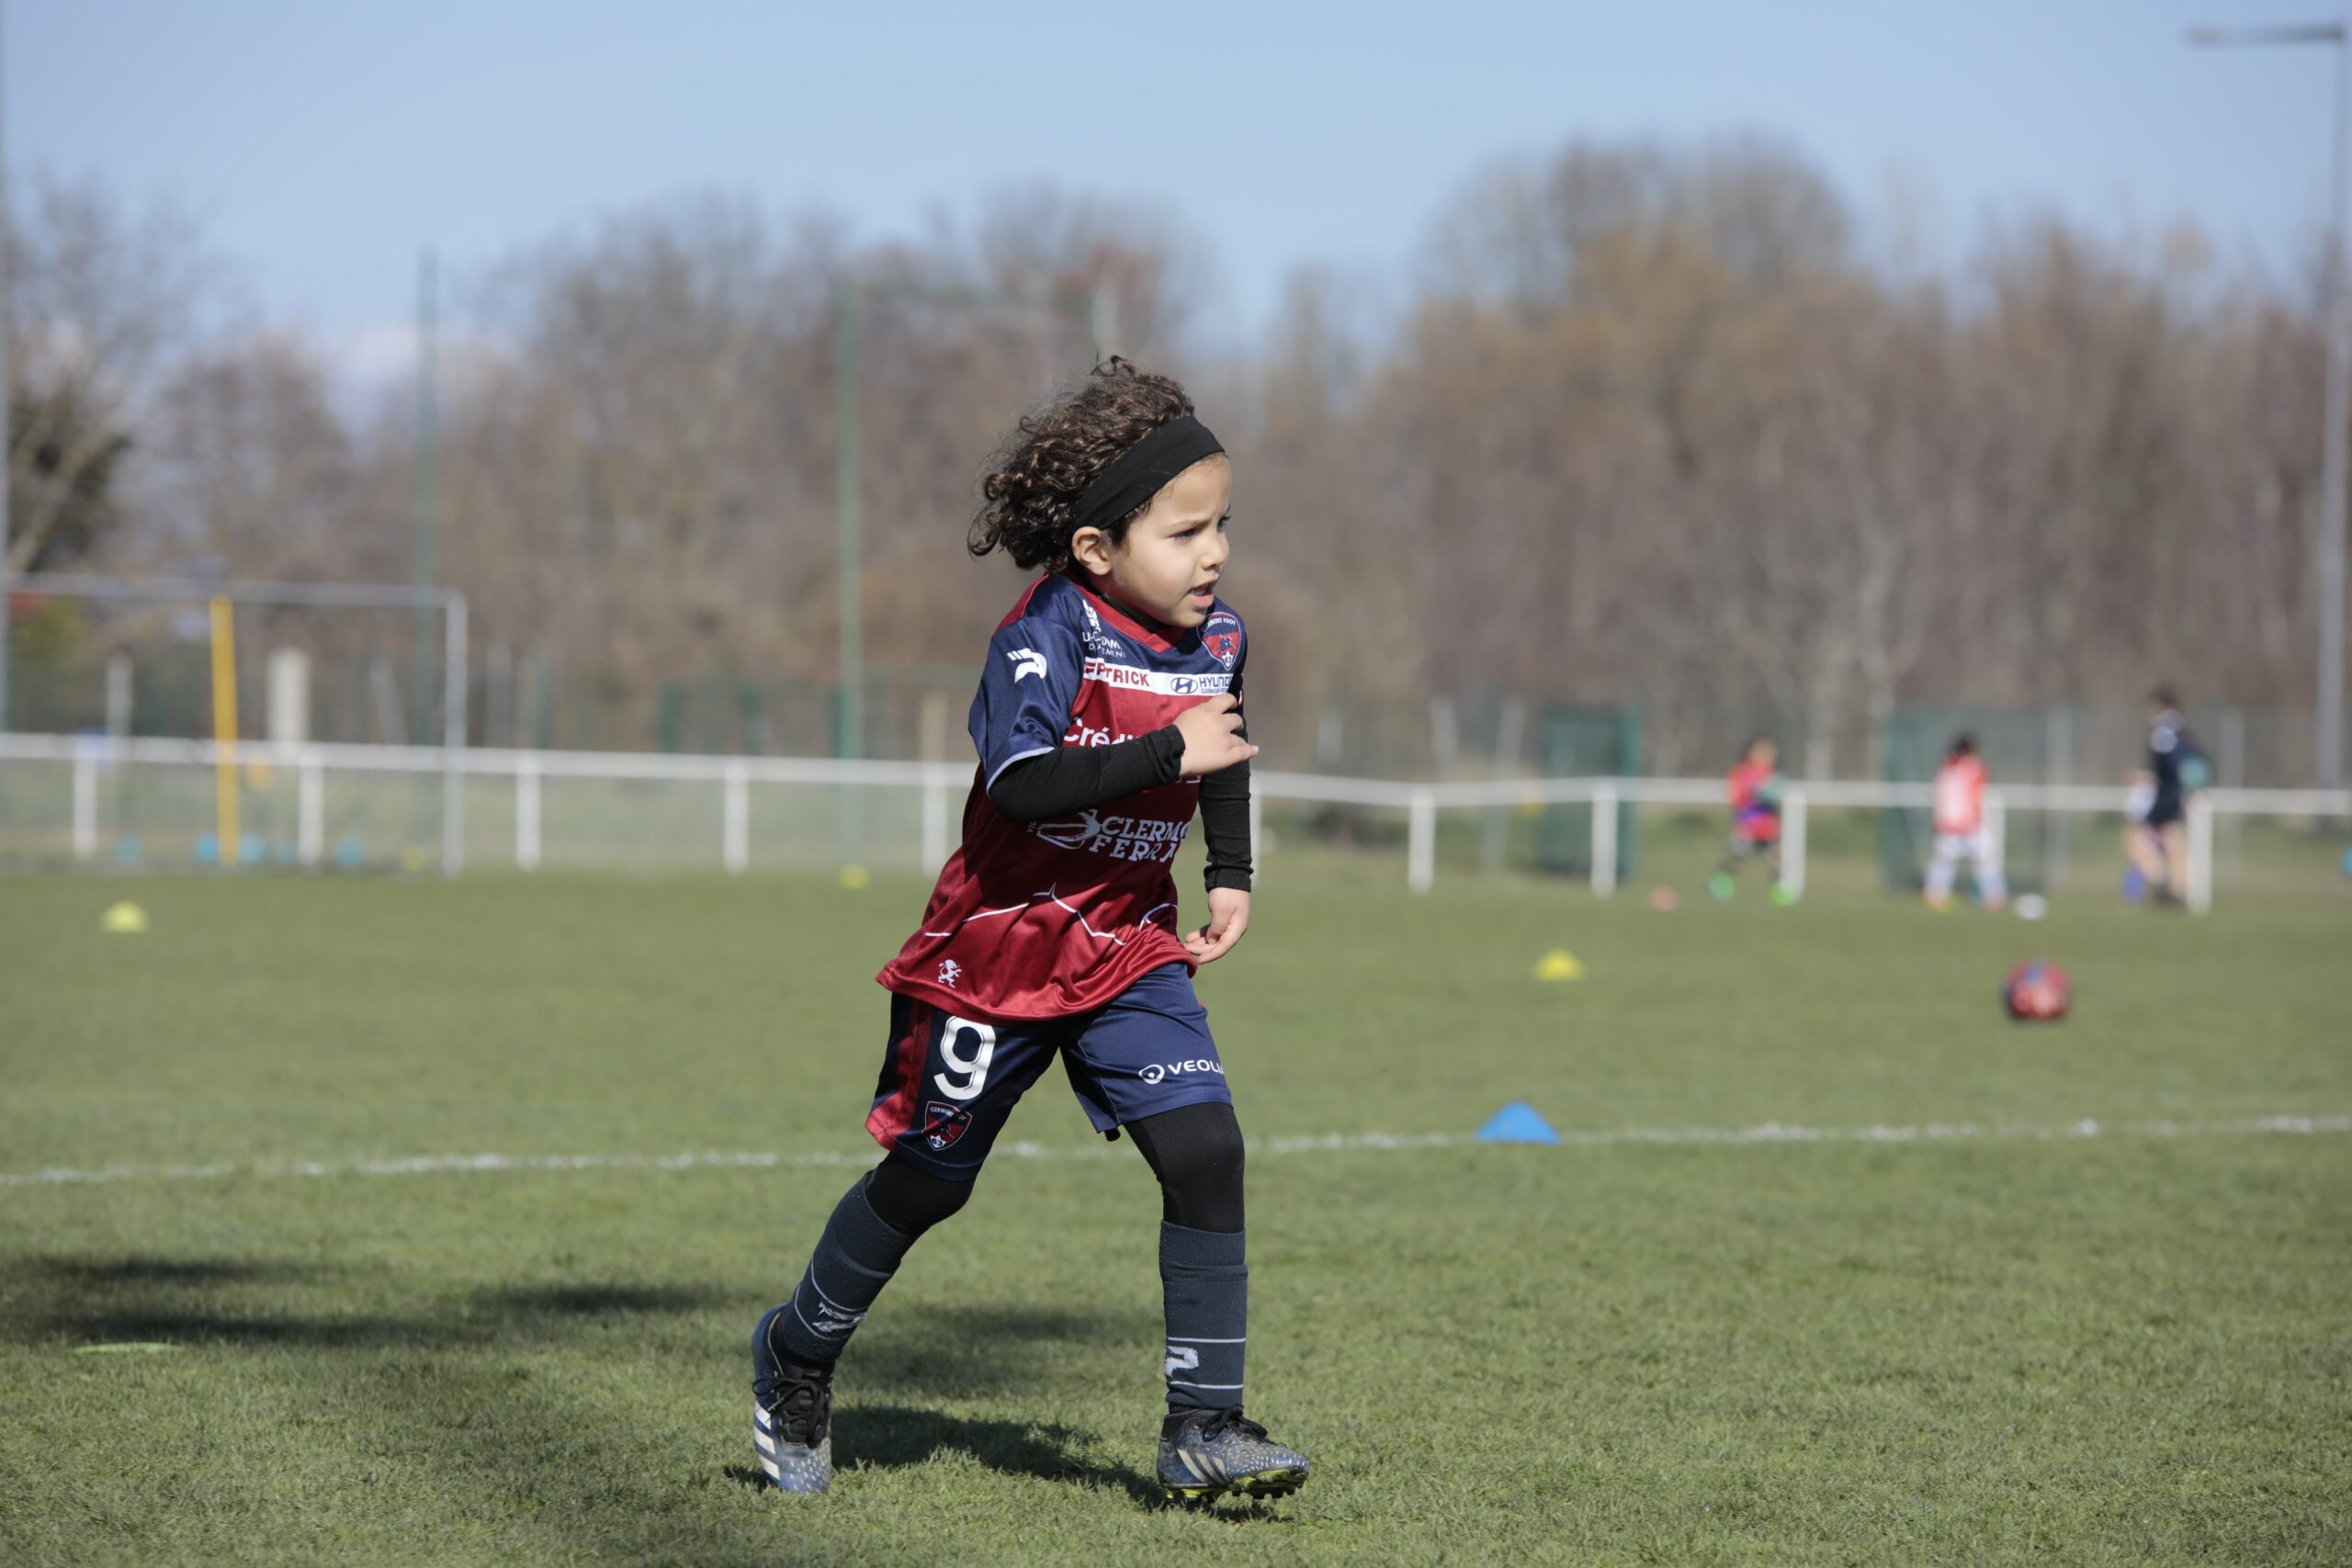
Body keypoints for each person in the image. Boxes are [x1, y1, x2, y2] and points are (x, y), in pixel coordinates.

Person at [750, 361, 1310, 1504]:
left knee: (1207, 1151)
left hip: (1127, 946)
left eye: (1224, 527)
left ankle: (1202, 1423)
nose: (1214, 554)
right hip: (995, 950)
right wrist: (1168, 755)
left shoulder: (1220, 636)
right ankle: (795, 1353)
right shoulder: (1043, 630)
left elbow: (1224, 745)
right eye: (1186, 530)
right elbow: (1020, 783)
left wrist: (1233, 872)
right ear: (1100, 549)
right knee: (928, 1182)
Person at [2128, 686, 2210, 908]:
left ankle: (2165, 883)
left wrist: (2176, 786)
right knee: (2172, 840)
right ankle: (2176, 888)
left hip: (2168, 795)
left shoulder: (2163, 731)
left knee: (2138, 839)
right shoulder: (2181, 729)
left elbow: (2174, 763)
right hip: (2176, 792)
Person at [1922, 733, 2007, 910]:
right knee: (1983, 862)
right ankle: (1993, 897)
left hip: (1948, 825)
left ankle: (1935, 896)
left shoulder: (1946, 768)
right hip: (1968, 825)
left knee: (1944, 863)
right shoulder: (1973, 766)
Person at [1711, 736, 1792, 903]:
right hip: (1748, 825)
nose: (1766, 754)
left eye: (1769, 751)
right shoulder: (1741, 772)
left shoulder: (1774, 775)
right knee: (1737, 857)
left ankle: (1779, 893)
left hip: (1768, 827)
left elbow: (1777, 796)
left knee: (1775, 860)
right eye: (1761, 750)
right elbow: (1735, 798)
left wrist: (1770, 792)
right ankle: (1720, 887)